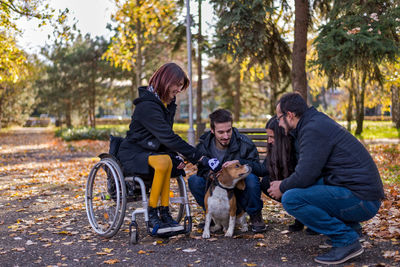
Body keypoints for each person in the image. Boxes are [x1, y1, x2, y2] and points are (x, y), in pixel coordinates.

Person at [268, 92, 384, 265]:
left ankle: (346, 240)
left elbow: (305, 175)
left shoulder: (312, 128)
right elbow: (311, 173)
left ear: (290, 115)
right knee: (308, 187)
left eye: (279, 117)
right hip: (361, 195)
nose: (277, 122)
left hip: (363, 200)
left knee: (291, 198)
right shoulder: (314, 122)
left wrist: (282, 186)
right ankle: (352, 230)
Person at [117, 63, 203, 236]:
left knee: (167, 160)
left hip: (152, 152)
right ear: (165, 80)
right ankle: (153, 213)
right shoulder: (147, 106)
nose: (179, 90)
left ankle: (165, 213)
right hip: (133, 153)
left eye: (181, 86)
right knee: (164, 160)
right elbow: (167, 137)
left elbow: (164, 137)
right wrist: (196, 156)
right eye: (177, 85)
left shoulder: (166, 104)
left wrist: (175, 155)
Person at [188, 109, 267, 233]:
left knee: (252, 178)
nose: (226, 136)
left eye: (228, 131)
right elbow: (201, 170)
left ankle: (255, 215)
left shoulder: (244, 143)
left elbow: (258, 168)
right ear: (213, 131)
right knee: (194, 180)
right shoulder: (204, 145)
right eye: (221, 132)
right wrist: (210, 175)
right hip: (217, 189)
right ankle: (214, 217)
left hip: (239, 190)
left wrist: (238, 162)